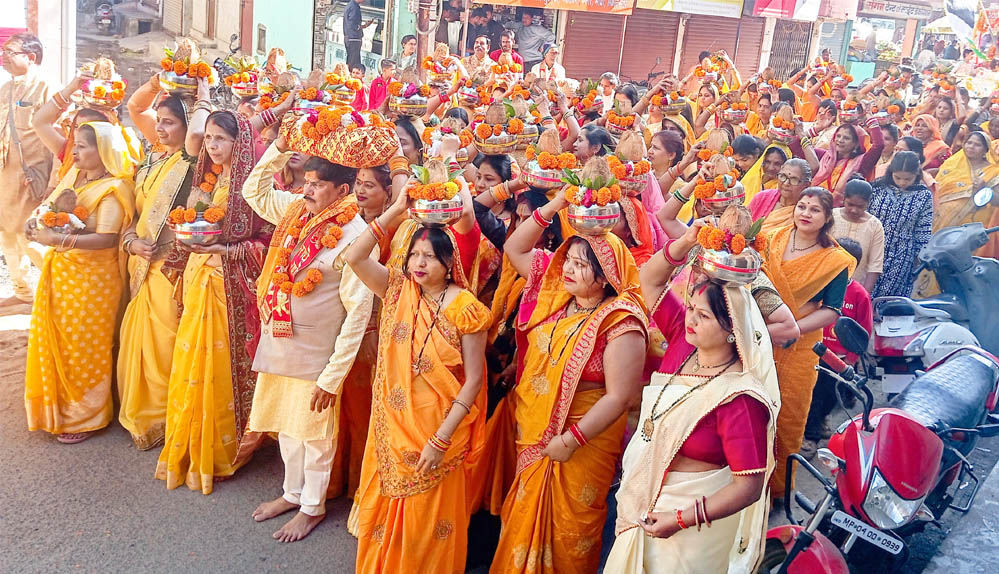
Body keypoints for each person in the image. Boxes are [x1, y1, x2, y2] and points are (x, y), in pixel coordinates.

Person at [491, 189, 648, 574]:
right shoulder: (556, 294)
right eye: (569, 260)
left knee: (570, 531)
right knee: (523, 516)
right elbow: (514, 247)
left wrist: (570, 440)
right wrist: (558, 203)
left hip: (582, 442)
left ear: (606, 275)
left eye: (580, 265)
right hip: (535, 431)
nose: (568, 270)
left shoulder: (621, 321)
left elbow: (620, 397)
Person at [606, 231, 779, 573]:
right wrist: (686, 241)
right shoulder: (683, 344)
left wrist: (681, 519)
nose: (691, 320)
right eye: (691, 309)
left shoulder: (739, 400)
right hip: (642, 502)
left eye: (704, 316)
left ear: (732, 329)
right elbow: (647, 280)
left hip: (689, 530)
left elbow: (749, 485)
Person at [345, 177, 491, 574]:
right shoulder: (397, 290)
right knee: (386, 524)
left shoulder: (466, 308)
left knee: (430, 528)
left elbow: (474, 381)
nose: (420, 264)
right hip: (394, 428)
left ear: (450, 263)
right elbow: (355, 257)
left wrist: (440, 439)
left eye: (430, 257)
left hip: (439, 432)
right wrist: (395, 210)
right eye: (414, 255)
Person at [239, 134, 374, 542]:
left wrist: (332, 377)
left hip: (318, 353)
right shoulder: (297, 210)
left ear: (343, 191)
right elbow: (253, 191)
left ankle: (312, 507)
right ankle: (292, 493)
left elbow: (358, 313)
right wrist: (279, 147)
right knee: (287, 424)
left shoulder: (356, 236)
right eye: (307, 181)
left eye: (317, 184)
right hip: (280, 339)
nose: (307, 189)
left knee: (315, 433)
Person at [155, 110, 274, 494]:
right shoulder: (208, 178)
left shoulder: (256, 184)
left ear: (240, 142)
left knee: (220, 363)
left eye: (221, 138)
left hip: (229, 284)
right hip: (200, 274)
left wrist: (228, 249)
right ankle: (193, 438)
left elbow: (270, 240)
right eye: (209, 138)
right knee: (192, 358)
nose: (213, 146)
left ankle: (227, 446)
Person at [23, 121, 137, 443]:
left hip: (93, 282)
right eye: (75, 144)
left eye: (83, 146)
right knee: (59, 342)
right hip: (62, 273)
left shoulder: (113, 188)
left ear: (103, 151)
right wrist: (35, 222)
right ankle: (59, 409)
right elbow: (49, 208)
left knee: (85, 346)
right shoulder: (74, 177)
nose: (74, 151)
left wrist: (59, 240)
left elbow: (107, 238)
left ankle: (88, 417)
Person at [116, 83, 203, 450]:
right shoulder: (154, 157)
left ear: (187, 126)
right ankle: (142, 414)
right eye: (160, 121)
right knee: (137, 342)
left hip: (170, 267)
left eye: (170, 122)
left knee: (165, 344)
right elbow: (135, 106)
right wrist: (130, 242)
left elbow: (198, 132)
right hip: (141, 261)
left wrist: (202, 91)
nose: (161, 127)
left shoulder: (191, 161)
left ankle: (168, 418)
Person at [760, 187, 855, 499]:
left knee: (788, 417)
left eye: (815, 210)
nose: (805, 213)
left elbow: (832, 310)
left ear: (827, 218)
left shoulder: (834, 260)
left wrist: (791, 330)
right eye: (802, 206)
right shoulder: (771, 239)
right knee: (750, 411)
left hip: (799, 347)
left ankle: (777, 491)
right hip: (758, 335)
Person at [802, 237, 872, 457]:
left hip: (838, 359)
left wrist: (851, 358)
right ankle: (811, 436)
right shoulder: (818, 286)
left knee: (830, 397)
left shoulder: (859, 295)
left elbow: (864, 328)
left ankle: (819, 424)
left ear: (852, 265)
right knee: (813, 396)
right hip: (813, 352)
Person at [0, 33, 52, 306]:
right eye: (3, 51)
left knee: (31, 238)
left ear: (31, 57)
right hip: (5, 177)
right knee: (7, 236)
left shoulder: (46, 88)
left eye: (10, 52)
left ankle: (57, 293)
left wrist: (53, 181)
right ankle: (22, 292)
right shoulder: (5, 89)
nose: (4, 57)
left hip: (31, 178)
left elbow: (60, 138)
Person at [868, 150, 934, 299]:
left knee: (888, 298)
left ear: (917, 174)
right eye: (897, 177)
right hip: (871, 249)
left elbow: (923, 230)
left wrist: (918, 260)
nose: (902, 182)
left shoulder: (923, 195)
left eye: (908, 179)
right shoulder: (877, 188)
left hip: (901, 256)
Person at [811, 118, 884, 205]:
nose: (840, 140)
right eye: (838, 136)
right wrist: (818, 129)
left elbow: (879, 145)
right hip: (812, 203)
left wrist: (870, 117)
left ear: (856, 143)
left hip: (839, 210)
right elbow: (799, 147)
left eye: (846, 138)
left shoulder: (861, 163)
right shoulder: (824, 156)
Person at [833, 180, 884, 293]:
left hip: (856, 288)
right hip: (825, 284)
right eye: (850, 204)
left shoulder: (875, 226)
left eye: (860, 206)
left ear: (868, 203)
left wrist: (863, 295)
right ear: (843, 198)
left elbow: (875, 265)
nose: (854, 210)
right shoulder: (832, 217)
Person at [749, 158, 812, 234]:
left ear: (806, 185)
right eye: (783, 176)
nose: (786, 183)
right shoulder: (762, 197)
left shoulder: (806, 212)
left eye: (794, 180)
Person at [508, 8, 554, 72]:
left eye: (527, 18)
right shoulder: (520, 26)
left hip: (535, 61)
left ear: (531, 19)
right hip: (522, 61)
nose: (524, 20)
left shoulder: (536, 29)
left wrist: (543, 47)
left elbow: (551, 36)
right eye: (523, 18)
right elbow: (508, 25)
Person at [344, 0, 374, 71]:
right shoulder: (354, 7)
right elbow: (352, 25)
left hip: (349, 37)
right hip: (354, 38)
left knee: (351, 60)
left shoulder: (350, 5)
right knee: (353, 62)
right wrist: (363, 26)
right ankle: (351, 75)